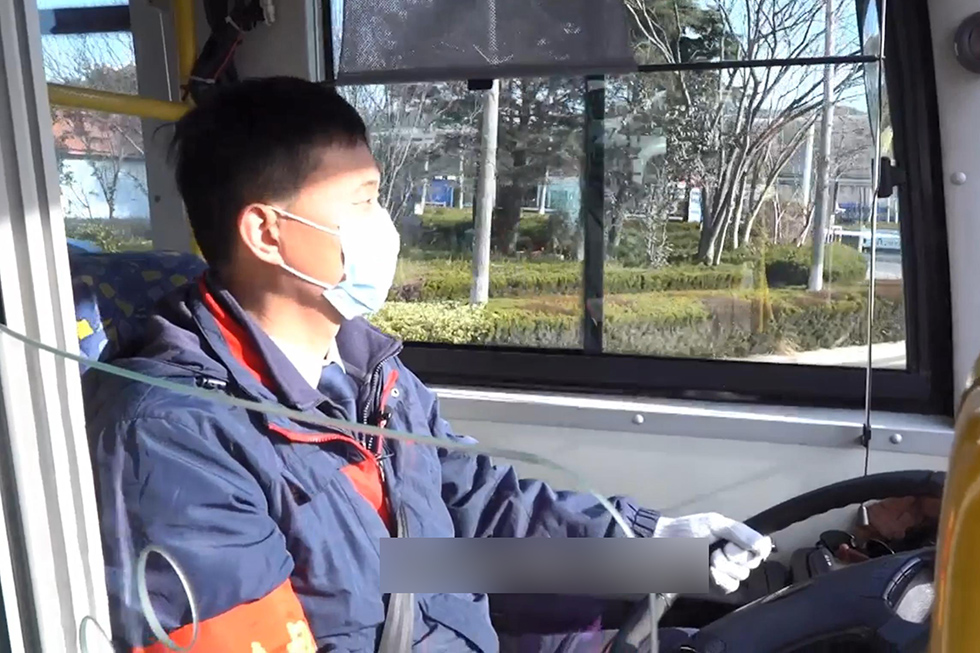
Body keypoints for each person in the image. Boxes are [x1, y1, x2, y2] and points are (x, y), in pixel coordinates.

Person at [83, 76, 772, 653]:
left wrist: (652, 546)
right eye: (361, 202)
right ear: (267, 232)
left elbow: (463, 520)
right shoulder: (177, 436)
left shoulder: (369, 373)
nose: (384, 225)